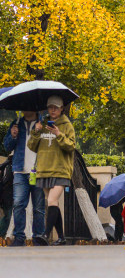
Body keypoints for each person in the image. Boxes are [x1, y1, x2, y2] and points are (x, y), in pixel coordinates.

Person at [27, 96, 76, 245]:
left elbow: (71, 146)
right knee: (52, 203)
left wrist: (58, 134)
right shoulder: (41, 124)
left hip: (60, 169)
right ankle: (61, 237)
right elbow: (31, 146)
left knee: (52, 200)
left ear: (62, 109)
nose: (53, 110)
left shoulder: (67, 125)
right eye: (50, 107)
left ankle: (45, 235)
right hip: (44, 169)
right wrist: (35, 132)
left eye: (56, 107)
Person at [3, 111, 47, 246]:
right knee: (18, 205)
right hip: (20, 171)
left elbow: (49, 146)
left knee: (39, 207)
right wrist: (13, 135)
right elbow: (7, 146)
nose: (26, 109)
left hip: (38, 171)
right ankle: (19, 237)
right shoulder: (16, 124)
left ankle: (38, 237)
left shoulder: (43, 124)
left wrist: (40, 131)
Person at [0, 156, 14, 239]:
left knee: (8, 216)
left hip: (7, 195)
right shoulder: (8, 165)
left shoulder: (6, 165)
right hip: (7, 195)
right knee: (8, 216)